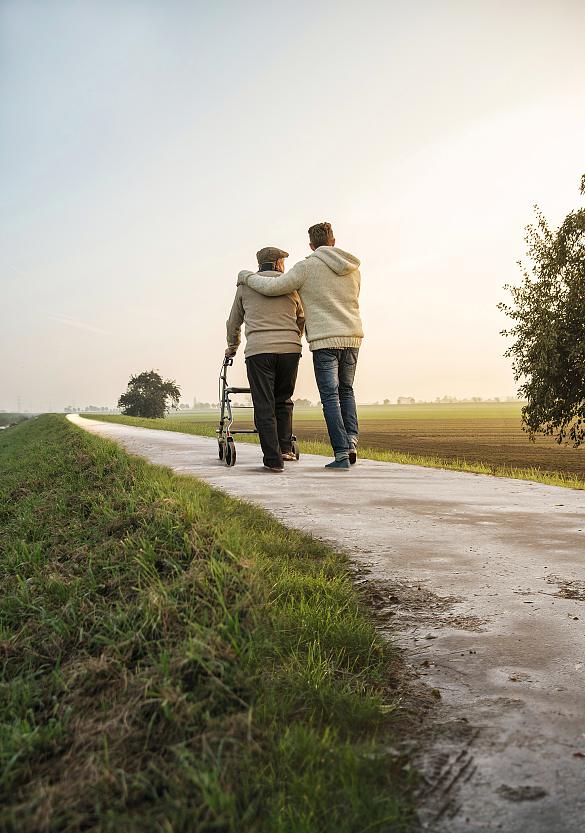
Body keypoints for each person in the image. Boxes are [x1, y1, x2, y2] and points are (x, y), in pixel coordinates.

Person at [238, 222, 363, 470]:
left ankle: (340, 454)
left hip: (325, 341)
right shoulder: (354, 269)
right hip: (352, 336)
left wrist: (245, 277)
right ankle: (350, 442)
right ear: (334, 242)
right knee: (346, 390)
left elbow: (272, 287)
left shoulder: (306, 267)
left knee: (330, 397)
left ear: (311, 245)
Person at [226, 246, 305, 472]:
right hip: (290, 350)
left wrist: (232, 347)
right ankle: (285, 449)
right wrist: (292, 337)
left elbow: (233, 322)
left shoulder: (244, 288)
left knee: (264, 404)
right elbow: (302, 318)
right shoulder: (292, 287)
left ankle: (273, 460)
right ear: (279, 264)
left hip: (259, 351)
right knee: (284, 399)